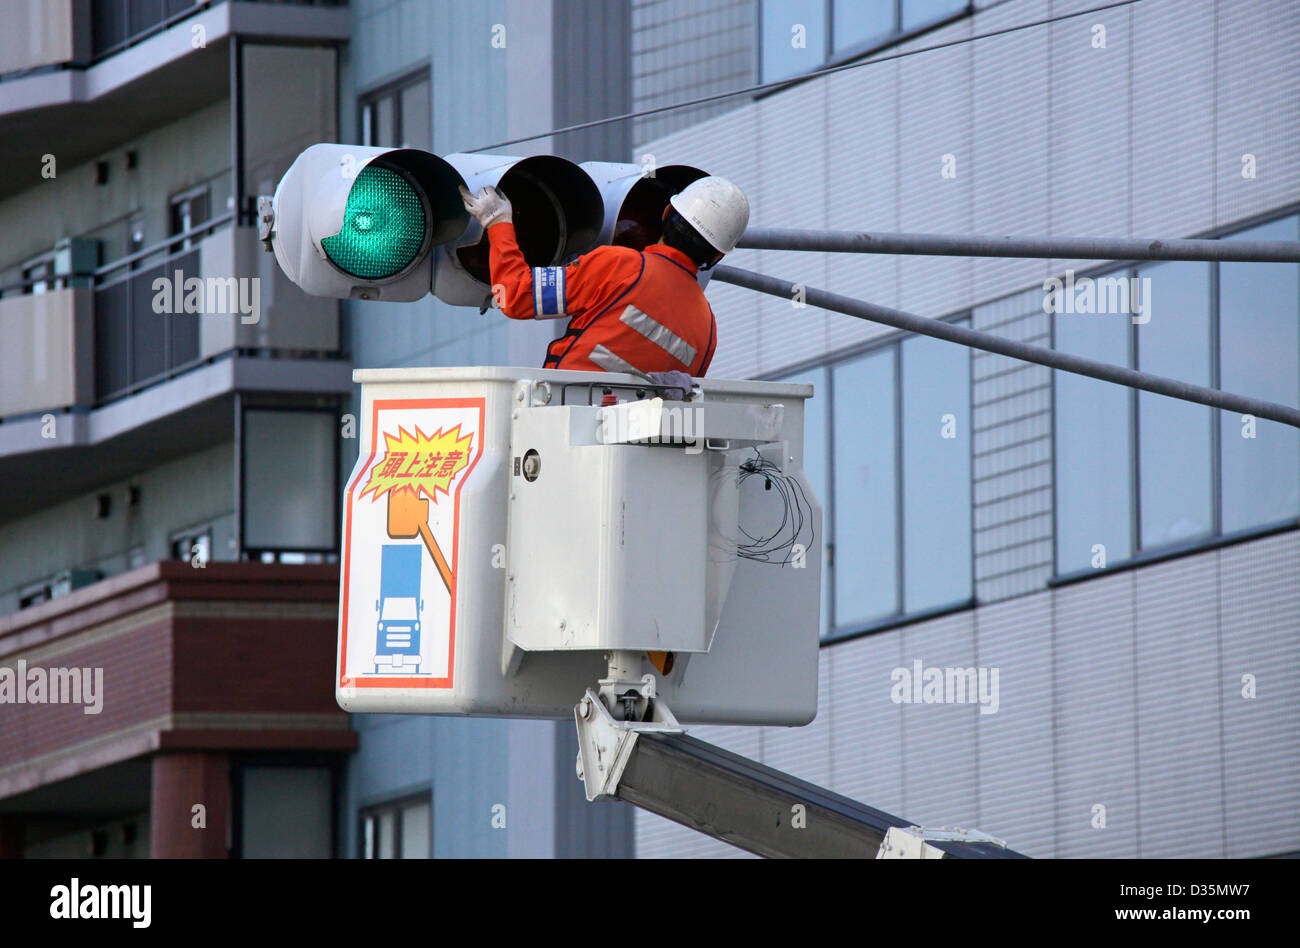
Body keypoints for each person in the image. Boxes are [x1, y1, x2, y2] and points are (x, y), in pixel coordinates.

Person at [459, 176, 750, 389]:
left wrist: (497, 221)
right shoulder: (707, 330)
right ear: (717, 256)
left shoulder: (622, 266)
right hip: (628, 456)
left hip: (559, 415)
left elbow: (515, 295)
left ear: (667, 215)